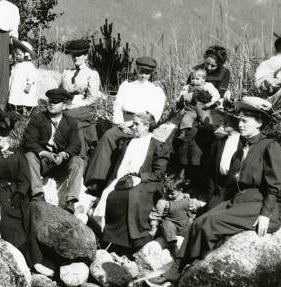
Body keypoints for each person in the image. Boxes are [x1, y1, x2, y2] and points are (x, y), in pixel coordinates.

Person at [180, 97, 281, 266]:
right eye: (239, 121)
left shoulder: (269, 146)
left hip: (259, 205)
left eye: (245, 121)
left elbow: (277, 185)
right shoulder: (240, 151)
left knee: (212, 223)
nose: (241, 124)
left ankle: (200, 266)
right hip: (238, 202)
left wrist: (265, 214)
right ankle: (179, 265)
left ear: (259, 122)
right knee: (199, 221)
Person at [84, 56, 166, 195]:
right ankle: (97, 180)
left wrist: (133, 122)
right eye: (141, 71)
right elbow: (117, 106)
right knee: (109, 136)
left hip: (142, 124)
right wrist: (120, 123)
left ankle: (113, 181)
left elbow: (154, 115)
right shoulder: (127, 85)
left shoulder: (155, 90)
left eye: (147, 72)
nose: (143, 75)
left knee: (128, 143)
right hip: (124, 121)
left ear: (151, 73)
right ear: (136, 69)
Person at [92, 111, 170, 254]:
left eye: (136, 124)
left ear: (147, 126)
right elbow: (118, 168)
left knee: (131, 196)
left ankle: (136, 241)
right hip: (125, 179)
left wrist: (140, 178)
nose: (133, 127)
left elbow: (159, 173)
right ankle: (112, 241)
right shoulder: (128, 143)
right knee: (110, 195)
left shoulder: (157, 146)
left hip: (148, 181)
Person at [0, 112, 45, 271]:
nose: (0, 138)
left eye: (3, 135)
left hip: (14, 191)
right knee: (5, 215)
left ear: (8, 136)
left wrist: (20, 193)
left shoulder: (17, 153)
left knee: (24, 214)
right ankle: (8, 257)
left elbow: (24, 177)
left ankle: (25, 259)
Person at [22, 88, 85, 213]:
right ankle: (38, 194)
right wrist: (44, 153)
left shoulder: (70, 122)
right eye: (50, 101)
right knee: (29, 156)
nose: (51, 104)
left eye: (56, 102)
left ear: (64, 104)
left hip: (62, 163)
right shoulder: (38, 118)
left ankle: (71, 201)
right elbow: (29, 141)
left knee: (78, 161)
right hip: (43, 161)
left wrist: (64, 154)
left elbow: (76, 145)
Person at [60, 38, 103, 156]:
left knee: (68, 118)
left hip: (85, 107)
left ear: (85, 56)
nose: (76, 58)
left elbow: (92, 98)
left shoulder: (91, 74)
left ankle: (79, 157)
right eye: (74, 55)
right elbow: (60, 91)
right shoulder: (67, 72)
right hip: (67, 105)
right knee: (77, 126)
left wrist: (74, 106)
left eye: (79, 55)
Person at [148, 174, 204, 249]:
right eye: (167, 193)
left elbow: (194, 203)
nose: (169, 196)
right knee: (166, 225)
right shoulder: (163, 202)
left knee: (196, 226)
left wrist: (203, 204)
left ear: (180, 190)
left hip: (184, 225)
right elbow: (155, 216)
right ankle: (173, 245)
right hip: (171, 225)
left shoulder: (185, 198)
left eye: (172, 193)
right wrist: (153, 228)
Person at [7, 40, 38, 113]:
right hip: (16, 88)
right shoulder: (16, 64)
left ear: (26, 54)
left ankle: (25, 113)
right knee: (15, 100)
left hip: (23, 88)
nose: (17, 56)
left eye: (19, 54)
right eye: (16, 54)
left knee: (23, 100)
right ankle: (15, 112)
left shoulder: (29, 65)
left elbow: (32, 76)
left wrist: (29, 85)